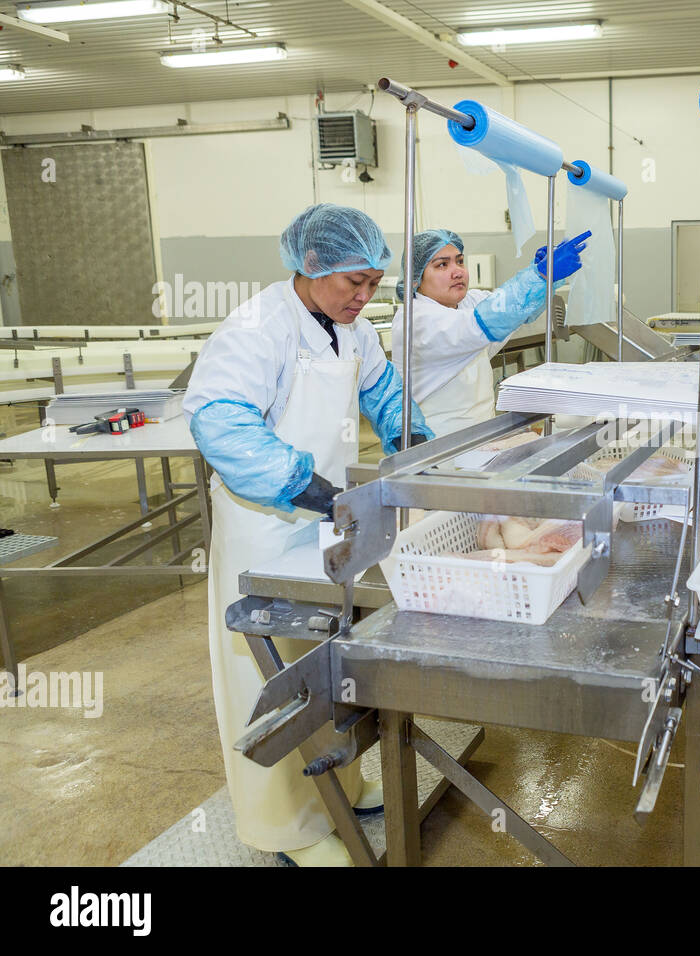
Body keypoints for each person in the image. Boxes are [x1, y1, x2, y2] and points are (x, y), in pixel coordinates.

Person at [184, 203, 434, 867]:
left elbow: (385, 396)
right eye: (354, 281)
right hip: (263, 524)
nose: (364, 295)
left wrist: (422, 447)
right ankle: (284, 828)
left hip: (324, 522)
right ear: (310, 264)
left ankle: (340, 786)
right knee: (266, 678)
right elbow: (220, 425)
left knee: (324, 661)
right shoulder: (256, 329)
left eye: (375, 283)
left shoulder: (355, 329)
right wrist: (309, 489)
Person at [391, 228, 590, 436]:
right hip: (436, 443)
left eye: (459, 261)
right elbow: (485, 321)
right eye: (442, 265)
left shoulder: (468, 302)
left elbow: (516, 311)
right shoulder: (416, 319)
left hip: (481, 436)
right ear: (415, 279)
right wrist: (539, 276)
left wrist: (541, 279)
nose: (457, 271)